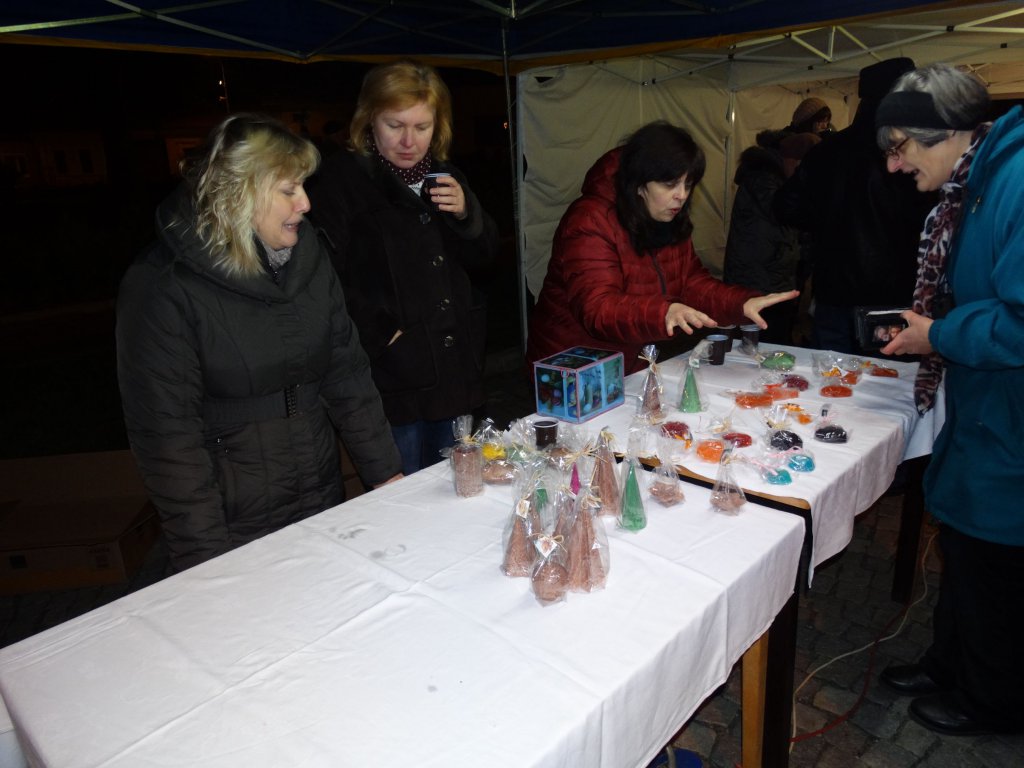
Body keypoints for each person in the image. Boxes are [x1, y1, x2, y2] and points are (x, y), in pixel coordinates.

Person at [116, 114, 403, 573]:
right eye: (289, 190)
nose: (306, 203)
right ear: (238, 195)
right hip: (233, 523)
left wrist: (386, 476)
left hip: (320, 495)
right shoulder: (163, 285)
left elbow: (347, 375)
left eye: (303, 186)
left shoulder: (308, 257)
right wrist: (204, 558)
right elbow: (168, 438)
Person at [874, 63, 1024, 736]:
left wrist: (938, 334)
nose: (893, 165)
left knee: (996, 561)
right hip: (986, 404)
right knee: (966, 547)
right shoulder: (981, 179)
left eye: (899, 146)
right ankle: (951, 664)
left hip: (1010, 414)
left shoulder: (1016, 180)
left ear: (943, 133)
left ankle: (994, 701)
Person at [307, 60, 498, 475]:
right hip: (392, 378)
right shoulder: (340, 181)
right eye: (395, 125)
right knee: (404, 491)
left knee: (458, 487)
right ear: (368, 119)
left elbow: (485, 261)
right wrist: (382, 334)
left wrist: (467, 215)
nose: (409, 141)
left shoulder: (446, 175)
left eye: (422, 127)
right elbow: (322, 279)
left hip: (454, 373)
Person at [526, 120, 798, 375]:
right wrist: (664, 311)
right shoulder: (591, 220)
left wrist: (740, 303)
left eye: (687, 184)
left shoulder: (669, 219)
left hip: (629, 359)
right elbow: (598, 308)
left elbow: (691, 283)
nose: (681, 195)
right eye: (670, 184)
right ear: (639, 183)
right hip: (573, 366)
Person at [775, 57, 934, 353]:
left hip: (836, 288)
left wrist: (829, 221)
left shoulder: (829, 150)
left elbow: (787, 205)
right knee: (884, 375)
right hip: (889, 291)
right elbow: (929, 218)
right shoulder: (910, 152)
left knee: (831, 376)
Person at [723, 130, 820, 345]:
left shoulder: (774, 179)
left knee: (772, 337)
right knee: (758, 339)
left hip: (772, 274)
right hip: (757, 277)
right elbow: (782, 212)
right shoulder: (762, 179)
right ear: (793, 160)